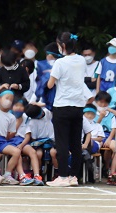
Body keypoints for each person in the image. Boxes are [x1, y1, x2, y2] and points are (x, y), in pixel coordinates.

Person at [46, 32, 87, 187]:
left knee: (62, 142)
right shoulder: (82, 60)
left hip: (62, 105)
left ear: (62, 46)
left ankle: (62, 175)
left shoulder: (60, 63)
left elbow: (50, 84)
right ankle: (74, 176)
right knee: (76, 142)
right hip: (78, 105)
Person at [0, 90, 33, 185]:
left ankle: (7, 174)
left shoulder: (11, 117)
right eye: (7, 98)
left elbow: (9, 135)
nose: (8, 101)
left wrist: (16, 126)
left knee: (16, 151)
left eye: (11, 99)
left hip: (2, 140)